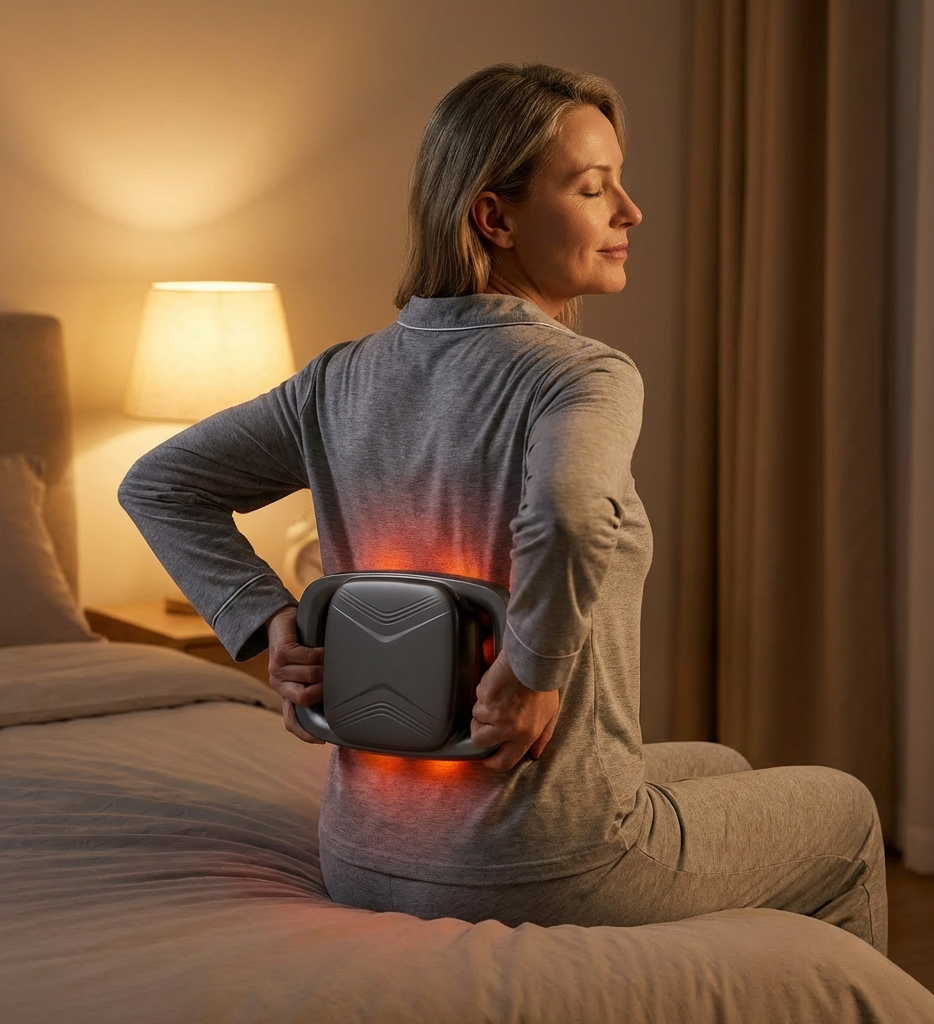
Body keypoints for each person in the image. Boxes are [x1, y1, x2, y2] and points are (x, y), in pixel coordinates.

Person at [119, 63, 887, 953]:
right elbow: (567, 514)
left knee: (721, 766)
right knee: (845, 811)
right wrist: (530, 672)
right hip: (545, 861)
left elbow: (158, 484)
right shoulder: (581, 375)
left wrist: (265, 620)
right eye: (595, 189)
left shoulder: (337, 380)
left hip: (363, 852)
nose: (629, 213)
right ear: (495, 217)